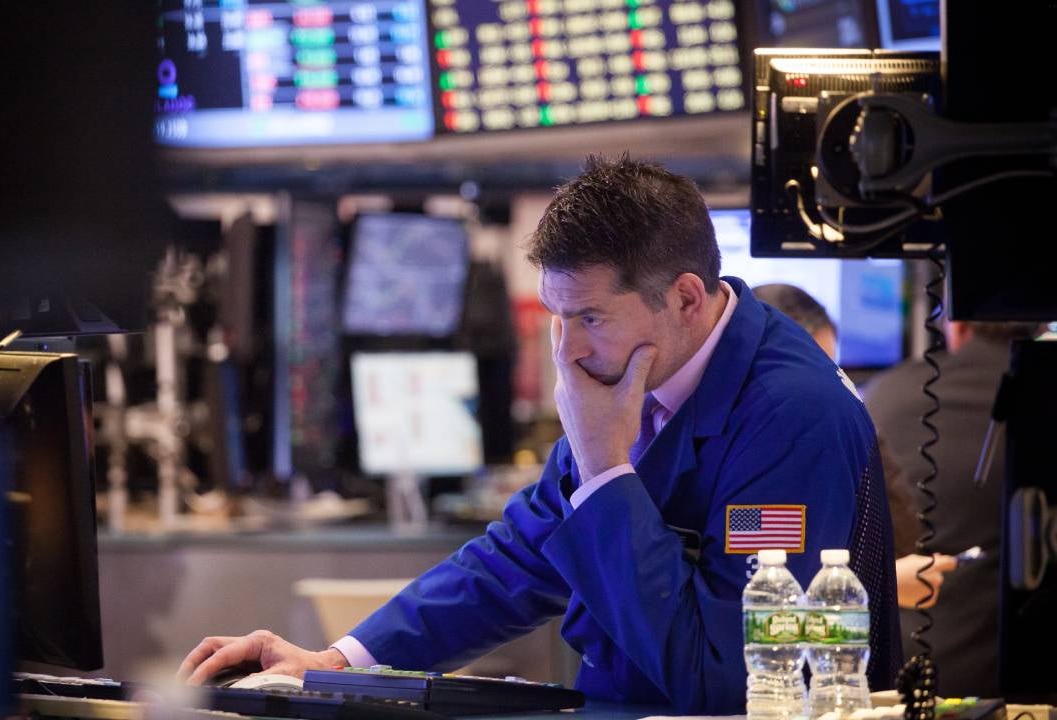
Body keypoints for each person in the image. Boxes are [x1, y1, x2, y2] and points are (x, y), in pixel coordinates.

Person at [177, 157, 901, 713]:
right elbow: (516, 560)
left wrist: (606, 470)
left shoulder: (792, 416)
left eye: (590, 318)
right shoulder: (631, 380)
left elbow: (725, 682)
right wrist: (334, 663)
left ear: (685, 297)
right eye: (559, 318)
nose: (568, 352)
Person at [751, 283, 956, 610]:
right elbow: (748, 584)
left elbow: (901, 541)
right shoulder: (736, 453)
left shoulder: (838, 430)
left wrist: (862, 433)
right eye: (815, 374)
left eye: (833, 371)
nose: (828, 388)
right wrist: (875, 584)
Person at [864, 319, 1041, 697]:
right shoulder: (1044, 393)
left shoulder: (883, 394)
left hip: (889, 685)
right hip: (1021, 685)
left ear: (956, 325)